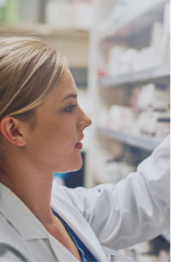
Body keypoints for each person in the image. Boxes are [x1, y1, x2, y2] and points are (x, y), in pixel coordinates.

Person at [0, 34, 171, 262]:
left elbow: (138, 201)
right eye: (69, 108)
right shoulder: (9, 250)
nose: (87, 119)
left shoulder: (57, 205)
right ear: (15, 131)